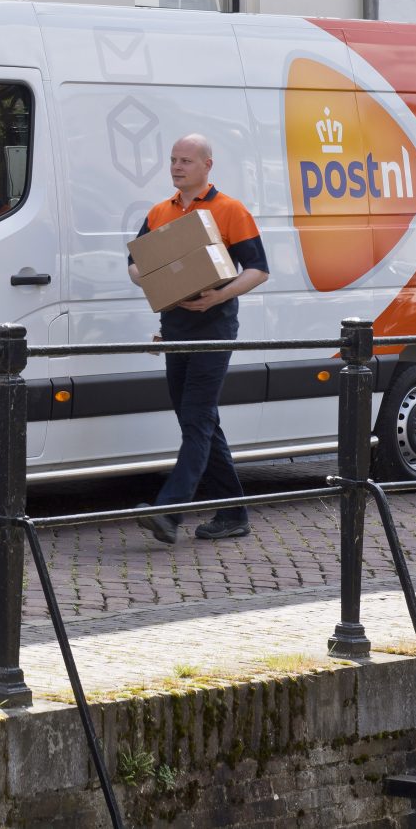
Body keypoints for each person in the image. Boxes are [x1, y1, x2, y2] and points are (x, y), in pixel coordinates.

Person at [129, 134, 270, 544]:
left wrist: (218, 295)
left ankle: (169, 511)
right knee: (201, 421)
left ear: (208, 165)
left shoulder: (230, 210)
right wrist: (158, 283)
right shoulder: (159, 212)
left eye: (186, 161)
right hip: (175, 329)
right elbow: (134, 265)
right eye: (173, 160)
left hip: (214, 329)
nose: (177, 167)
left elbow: (258, 269)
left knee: (196, 418)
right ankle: (233, 514)